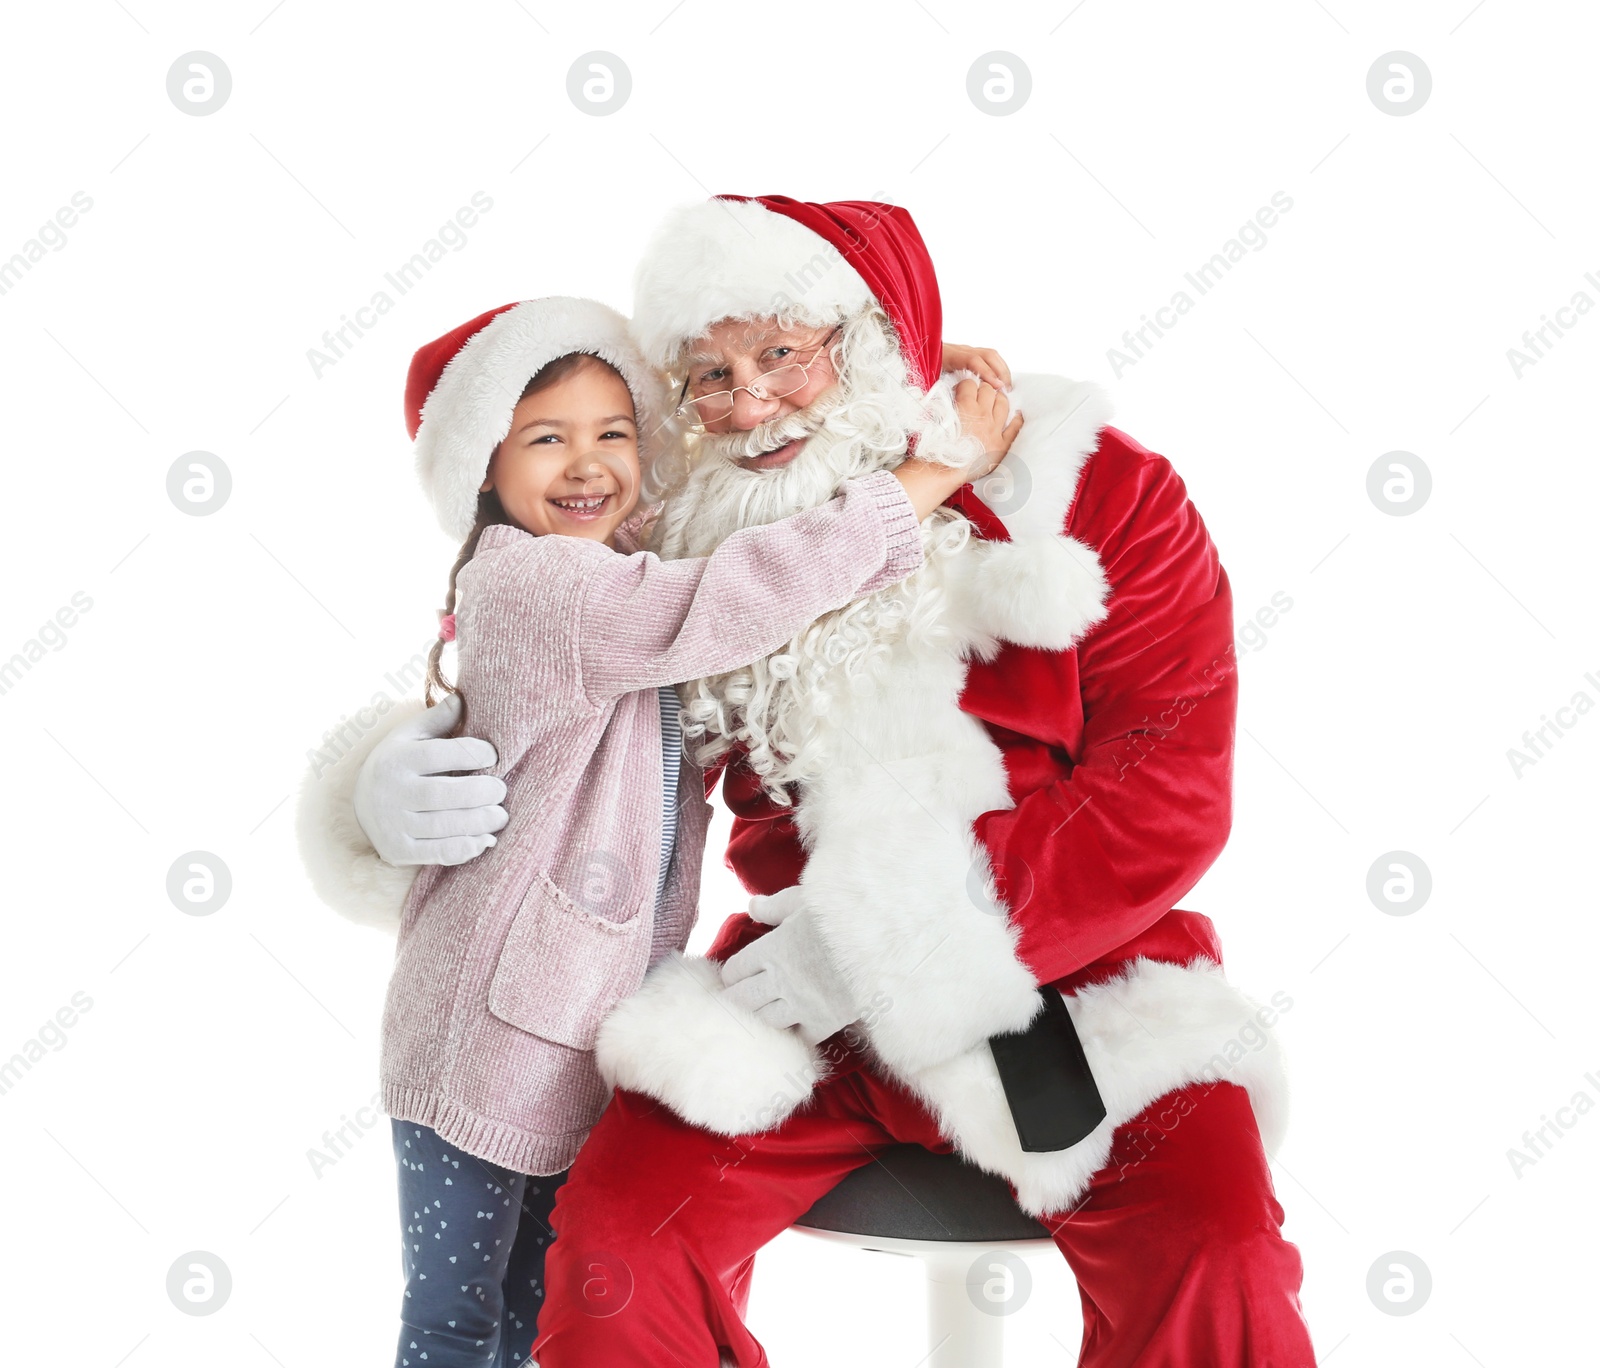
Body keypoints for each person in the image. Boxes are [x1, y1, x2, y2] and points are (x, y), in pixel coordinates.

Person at [307, 196, 1318, 1365]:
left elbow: (1167, 794)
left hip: (1085, 987)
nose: (750, 404)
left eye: (781, 353)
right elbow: (538, 650)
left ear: (877, 334)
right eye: (709, 376)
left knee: (1218, 1261)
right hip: (794, 1000)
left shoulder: (1096, 492)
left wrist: (894, 948)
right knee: (614, 1253)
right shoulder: (696, 528)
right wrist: (375, 783)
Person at [298, 293, 1019, 1368]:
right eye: (546, 440)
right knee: (459, 1325)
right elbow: (733, 594)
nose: (586, 463)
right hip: (487, 1033)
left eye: (614, 433)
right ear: (485, 475)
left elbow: (730, 495)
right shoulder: (543, 582)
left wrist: (895, 363)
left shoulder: (617, 553)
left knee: (534, 1315)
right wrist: (926, 479)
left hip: (566, 1016)